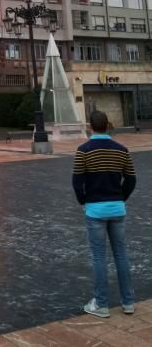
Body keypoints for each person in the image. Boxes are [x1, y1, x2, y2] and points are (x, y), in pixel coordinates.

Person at [72, 110, 136, 318]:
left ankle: (101, 304)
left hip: (95, 210)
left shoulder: (84, 150)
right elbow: (131, 179)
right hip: (117, 208)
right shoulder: (122, 150)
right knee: (121, 255)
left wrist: (84, 200)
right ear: (108, 126)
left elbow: (77, 181)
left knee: (99, 257)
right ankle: (128, 302)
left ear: (90, 127)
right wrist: (120, 197)